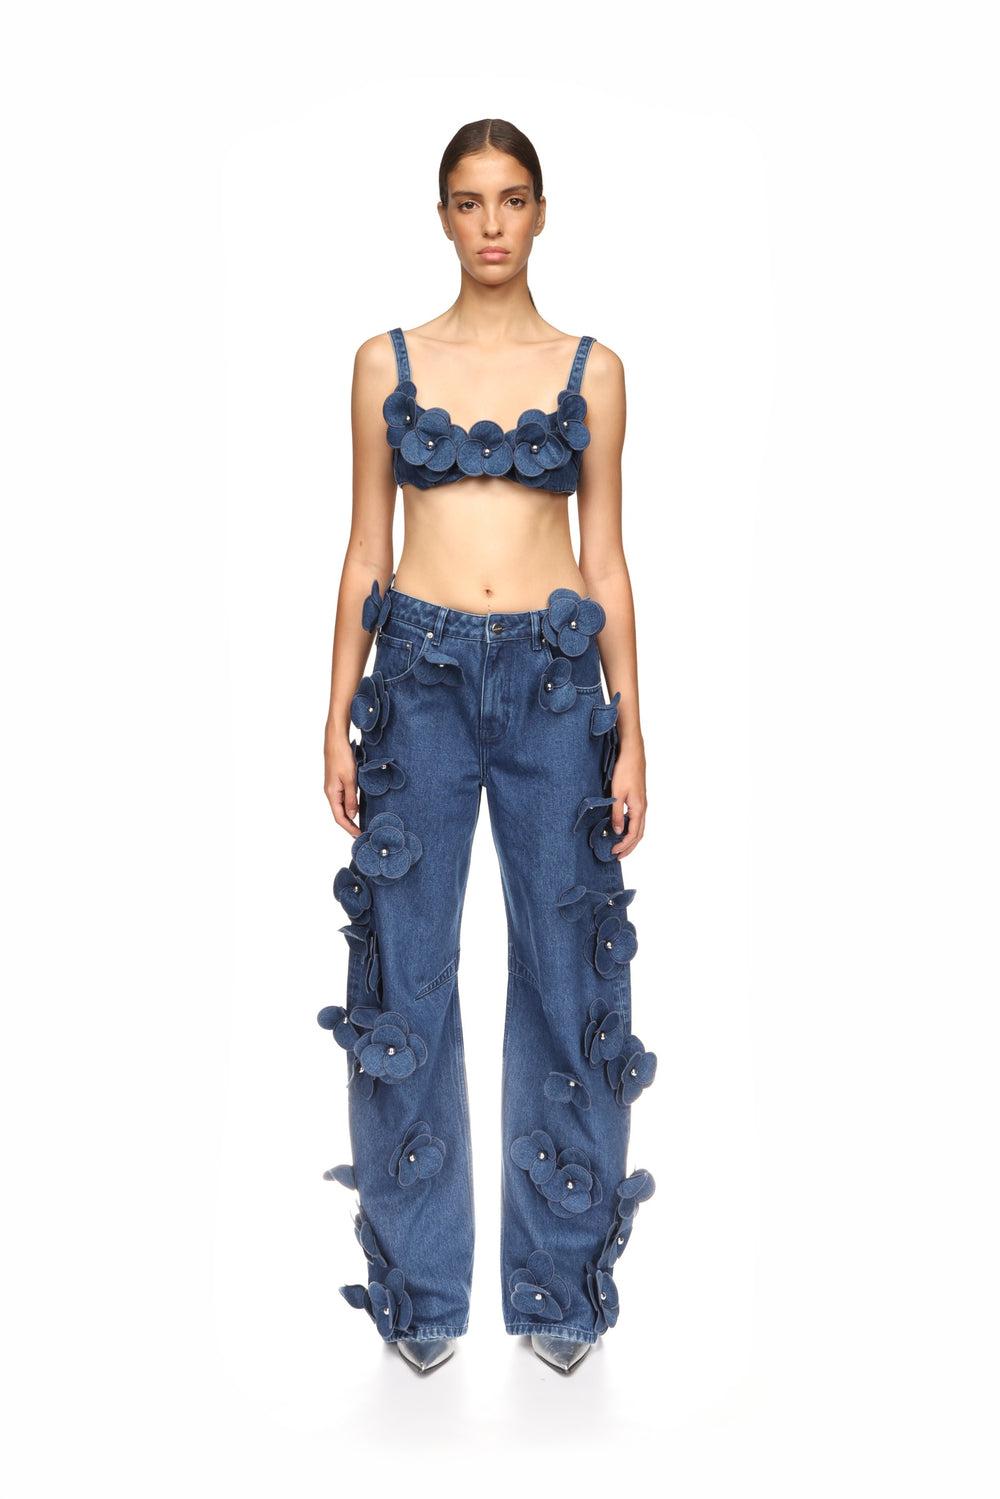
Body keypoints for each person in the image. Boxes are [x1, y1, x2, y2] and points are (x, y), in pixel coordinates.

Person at [319, 118, 656, 1375]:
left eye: (512, 199)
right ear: (443, 217)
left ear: (542, 210)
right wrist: (336, 707)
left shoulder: (592, 371)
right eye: (469, 202)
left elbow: (605, 557)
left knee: (567, 973)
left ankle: (558, 1284)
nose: (492, 224)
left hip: (557, 682)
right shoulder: (386, 361)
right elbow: (366, 547)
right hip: (414, 677)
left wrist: (632, 729)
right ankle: (419, 1293)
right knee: (402, 979)